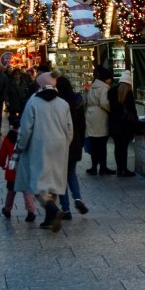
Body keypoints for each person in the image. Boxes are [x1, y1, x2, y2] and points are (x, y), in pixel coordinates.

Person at [14, 71, 73, 232]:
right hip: (60, 146)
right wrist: (65, 144)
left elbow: (26, 129)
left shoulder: (33, 102)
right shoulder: (63, 103)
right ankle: (49, 219)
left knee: (37, 183)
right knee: (53, 182)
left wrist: (21, 146)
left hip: (38, 146)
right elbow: (69, 128)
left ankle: (52, 209)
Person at [56, 75, 89, 218]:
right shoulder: (77, 100)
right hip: (75, 140)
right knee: (71, 173)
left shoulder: (57, 103)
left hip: (61, 141)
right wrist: (82, 140)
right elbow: (82, 124)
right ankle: (78, 198)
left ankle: (66, 209)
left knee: (61, 177)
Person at [0, 126, 37, 222]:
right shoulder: (26, 137)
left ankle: (7, 209)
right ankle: (31, 211)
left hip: (12, 170)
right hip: (24, 169)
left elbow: (2, 154)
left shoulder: (7, 138)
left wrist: (2, 164)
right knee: (27, 191)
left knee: (11, 191)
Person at [108, 71, 138, 177]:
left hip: (115, 124)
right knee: (124, 147)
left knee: (117, 147)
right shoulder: (129, 93)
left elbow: (109, 108)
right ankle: (124, 168)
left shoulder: (111, 91)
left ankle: (119, 169)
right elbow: (132, 110)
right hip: (125, 125)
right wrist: (136, 123)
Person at [85, 66, 114, 175]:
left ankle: (93, 167)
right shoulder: (104, 88)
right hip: (100, 117)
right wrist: (111, 110)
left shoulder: (93, 86)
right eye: (110, 78)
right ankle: (103, 167)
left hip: (91, 115)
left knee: (94, 143)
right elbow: (104, 103)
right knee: (102, 144)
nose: (111, 81)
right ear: (106, 78)